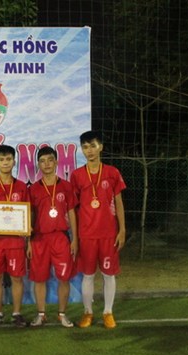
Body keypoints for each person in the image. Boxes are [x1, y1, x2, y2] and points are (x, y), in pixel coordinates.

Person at [70, 130, 126, 329]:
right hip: (86, 234)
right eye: (85, 147)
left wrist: (122, 230)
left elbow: (118, 202)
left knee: (109, 274)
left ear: (100, 147)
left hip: (108, 234)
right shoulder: (77, 175)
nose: (90, 151)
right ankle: (88, 312)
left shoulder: (112, 172)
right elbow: (73, 208)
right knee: (88, 275)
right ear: (82, 150)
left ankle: (108, 312)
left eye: (93, 146)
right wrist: (75, 237)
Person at [26, 147, 78, 328]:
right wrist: (29, 242)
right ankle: (41, 314)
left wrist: (75, 239)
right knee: (39, 278)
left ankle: (62, 314)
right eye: (42, 161)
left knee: (64, 278)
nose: (46, 164)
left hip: (60, 238)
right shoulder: (33, 189)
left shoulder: (66, 186)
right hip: (39, 239)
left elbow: (71, 213)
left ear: (56, 162)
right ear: (38, 165)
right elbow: (30, 217)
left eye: (50, 160)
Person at [0, 144, 30, 328]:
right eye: (1, 159)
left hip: (15, 242)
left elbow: (27, 213)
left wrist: (27, 230)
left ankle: (17, 314)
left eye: (8, 159)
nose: (5, 163)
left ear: (14, 161)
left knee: (17, 278)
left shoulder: (21, 187)